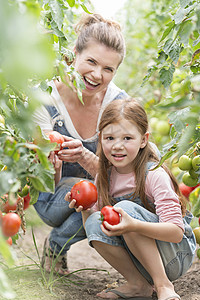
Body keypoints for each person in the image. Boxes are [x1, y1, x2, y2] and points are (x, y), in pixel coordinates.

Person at [66, 98, 196, 300]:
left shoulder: (153, 174)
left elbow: (176, 233)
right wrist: (85, 207)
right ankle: (138, 284)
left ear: (143, 140)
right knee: (94, 219)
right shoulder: (105, 177)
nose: (117, 146)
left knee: (125, 209)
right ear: (100, 138)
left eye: (127, 138)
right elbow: (96, 231)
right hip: (139, 261)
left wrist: (133, 225)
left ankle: (163, 285)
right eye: (109, 138)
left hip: (173, 255)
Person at [33, 13, 128, 275]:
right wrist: (48, 157)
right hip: (50, 198)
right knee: (98, 190)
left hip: (96, 192)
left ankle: (57, 244)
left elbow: (127, 177)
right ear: (75, 53)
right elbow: (41, 181)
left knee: (120, 195)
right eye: (91, 61)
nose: (97, 75)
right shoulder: (46, 98)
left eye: (108, 69)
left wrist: (85, 157)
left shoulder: (118, 106)